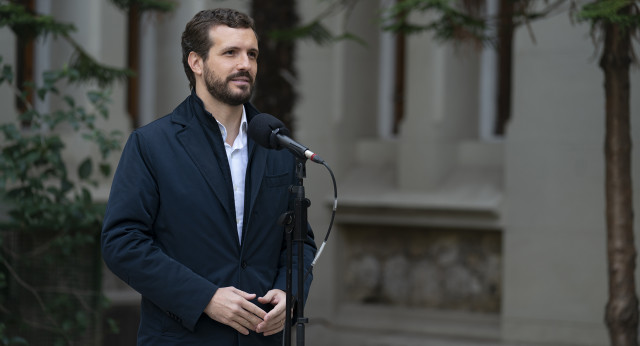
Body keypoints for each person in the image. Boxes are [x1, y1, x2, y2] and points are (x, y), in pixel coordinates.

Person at [101, 8, 316, 345]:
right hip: (182, 337)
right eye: (230, 52)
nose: (244, 63)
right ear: (196, 63)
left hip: (262, 338)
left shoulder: (277, 143)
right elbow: (122, 242)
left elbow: (300, 242)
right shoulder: (152, 144)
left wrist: (290, 291)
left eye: (251, 54)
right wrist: (204, 298)